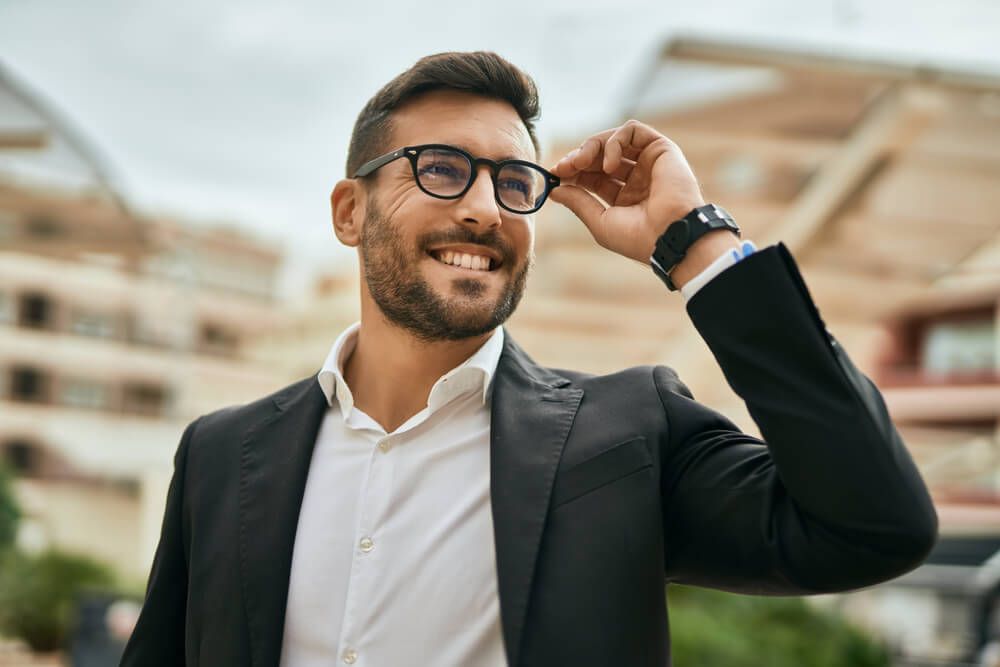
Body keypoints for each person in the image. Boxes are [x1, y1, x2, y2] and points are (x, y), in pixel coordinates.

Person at [120, 51, 937, 667]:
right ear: (348, 211)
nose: (484, 208)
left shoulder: (625, 437)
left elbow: (872, 525)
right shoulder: (220, 455)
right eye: (440, 169)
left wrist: (694, 243)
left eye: (515, 182)